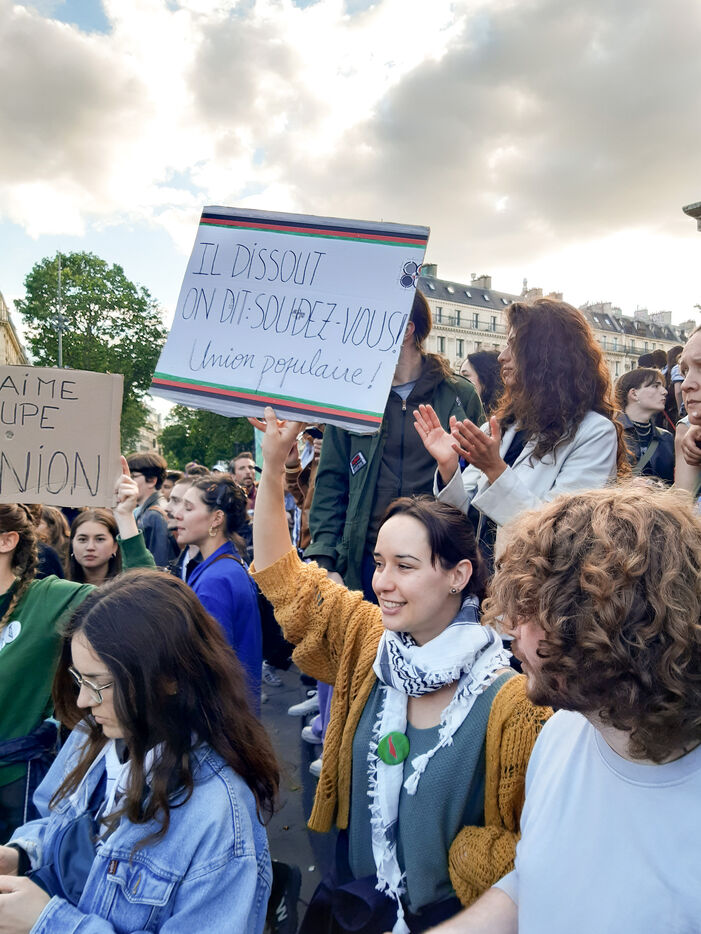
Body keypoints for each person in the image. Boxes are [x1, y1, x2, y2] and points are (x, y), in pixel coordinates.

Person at [250, 408, 551, 934]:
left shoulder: (515, 704)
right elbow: (285, 578)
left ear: (458, 575)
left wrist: (479, 862)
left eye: (404, 566)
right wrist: (273, 468)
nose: (382, 582)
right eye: (379, 562)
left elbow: (537, 855)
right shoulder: (367, 639)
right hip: (352, 907)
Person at [424, 484, 701, 933]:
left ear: (604, 631)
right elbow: (538, 880)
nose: (509, 628)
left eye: (531, 610)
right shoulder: (563, 733)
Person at [0, 569, 278, 933]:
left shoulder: (219, 814)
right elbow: (55, 822)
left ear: (169, 678)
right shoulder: (94, 733)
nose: (83, 701)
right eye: (79, 679)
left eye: (98, 683)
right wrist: (21, 855)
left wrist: (50, 923)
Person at [0, 461, 154, 840]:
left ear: (6, 541)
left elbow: (145, 600)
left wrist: (125, 519)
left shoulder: (48, 598)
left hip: (14, 788)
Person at [415, 299, 624, 564]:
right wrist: (448, 468)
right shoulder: (505, 426)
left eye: (514, 345)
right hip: (482, 580)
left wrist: (495, 469)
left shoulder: (595, 433)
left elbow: (562, 535)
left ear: (547, 354)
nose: (502, 356)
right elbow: (464, 519)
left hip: (535, 585)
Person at [306, 290, 483, 596]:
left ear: (406, 329)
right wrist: (326, 561)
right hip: (365, 566)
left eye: (367, 322)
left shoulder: (459, 395)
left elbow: (480, 483)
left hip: (436, 566)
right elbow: (330, 484)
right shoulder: (351, 397)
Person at [172, 475, 262, 704]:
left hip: (219, 714)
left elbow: (209, 668)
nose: (177, 514)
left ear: (217, 518)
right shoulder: (229, 564)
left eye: (188, 508)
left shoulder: (215, 581)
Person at [614, 367, 674, 483]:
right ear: (634, 394)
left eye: (662, 386)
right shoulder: (612, 433)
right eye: (655, 386)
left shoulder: (666, 437)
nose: (665, 391)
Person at [126, 451, 176, 567]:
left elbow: (158, 565)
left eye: (133, 477)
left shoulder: (154, 515)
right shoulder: (149, 511)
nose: (126, 481)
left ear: (152, 480)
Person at [68, 509, 123, 585]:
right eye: (82, 539)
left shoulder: (127, 585)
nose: (90, 547)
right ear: (72, 544)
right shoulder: (59, 585)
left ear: (115, 546)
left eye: (100, 539)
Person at [459, 352, 503, 419]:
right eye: (459, 376)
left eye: (465, 375)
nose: (459, 381)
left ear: (485, 379)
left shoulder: (502, 418)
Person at [230, 451, 259, 516]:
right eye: (242, 468)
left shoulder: (264, 496)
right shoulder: (228, 499)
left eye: (251, 467)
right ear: (233, 476)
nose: (248, 471)